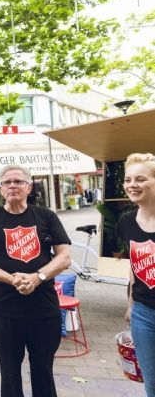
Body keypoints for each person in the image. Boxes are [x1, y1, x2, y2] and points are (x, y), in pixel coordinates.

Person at [0, 164, 71, 397]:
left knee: (43, 370)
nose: (12, 186)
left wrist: (37, 278)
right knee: (9, 373)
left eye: (18, 181)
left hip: (44, 307)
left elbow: (64, 256)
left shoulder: (46, 216)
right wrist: (12, 280)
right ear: (0, 188)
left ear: (29, 186)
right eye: (7, 182)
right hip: (6, 309)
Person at [119, 153, 155, 397]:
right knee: (151, 385)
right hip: (144, 314)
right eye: (128, 179)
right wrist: (131, 304)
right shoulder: (126, 221)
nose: (132, 185)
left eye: (140, 179)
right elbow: (135, 265)